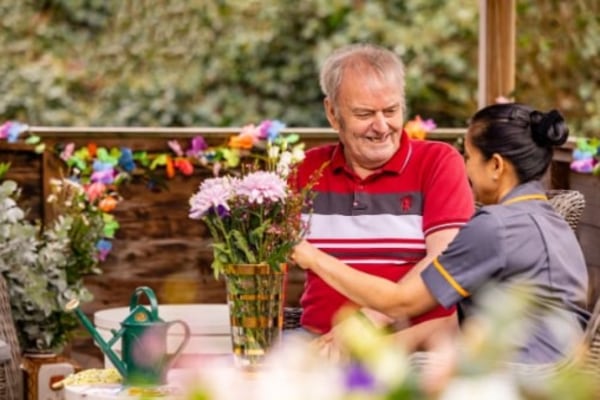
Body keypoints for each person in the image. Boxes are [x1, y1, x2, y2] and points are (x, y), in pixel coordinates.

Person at [292, 102, 590, 364]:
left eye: (469, 157)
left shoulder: (495, 226)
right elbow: (454, 321)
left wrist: (313, 257)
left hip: (523, 374)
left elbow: (400, 302)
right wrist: (369, 353)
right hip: (557, 369)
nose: (465, 166)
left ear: (496, 166)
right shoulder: (547, 219)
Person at [291, 43, 475, 346]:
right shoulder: (307, 170)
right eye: (364, 114)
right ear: (333, 114)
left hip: (414, 345)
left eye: (391, 111)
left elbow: (444, 264)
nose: (381, 127)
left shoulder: (438, 162)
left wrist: (362, 326)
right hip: (316, 340)